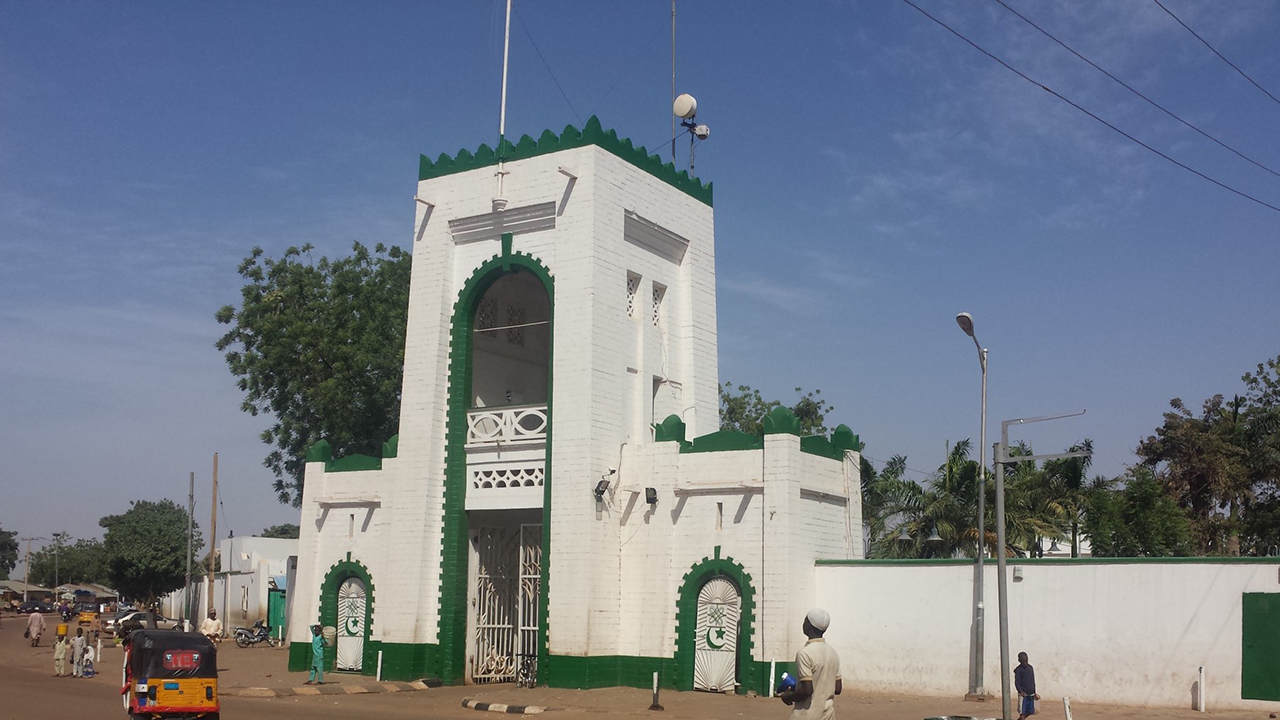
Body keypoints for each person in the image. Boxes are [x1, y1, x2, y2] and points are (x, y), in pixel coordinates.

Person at [779, 609, 842, 720]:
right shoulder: (833, 653)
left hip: (808, 714)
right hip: (828, 714)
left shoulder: (804, 653)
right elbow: (837, 688)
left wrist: (788, 696)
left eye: (805, 621)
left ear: (809, 626)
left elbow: (807, 690)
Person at [1015, 651, 1039, 720]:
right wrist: (1020, 691)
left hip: (1031, 693)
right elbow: (1017, 682)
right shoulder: (1018, 670)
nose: (1025, 662)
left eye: (1025, 660)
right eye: (1023, 661)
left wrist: (1034, 693)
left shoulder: (1030, 668)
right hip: (1023, 695)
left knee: (1031, 711)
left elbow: (1032, 681)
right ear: (1019, 660)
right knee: (1022, 712)